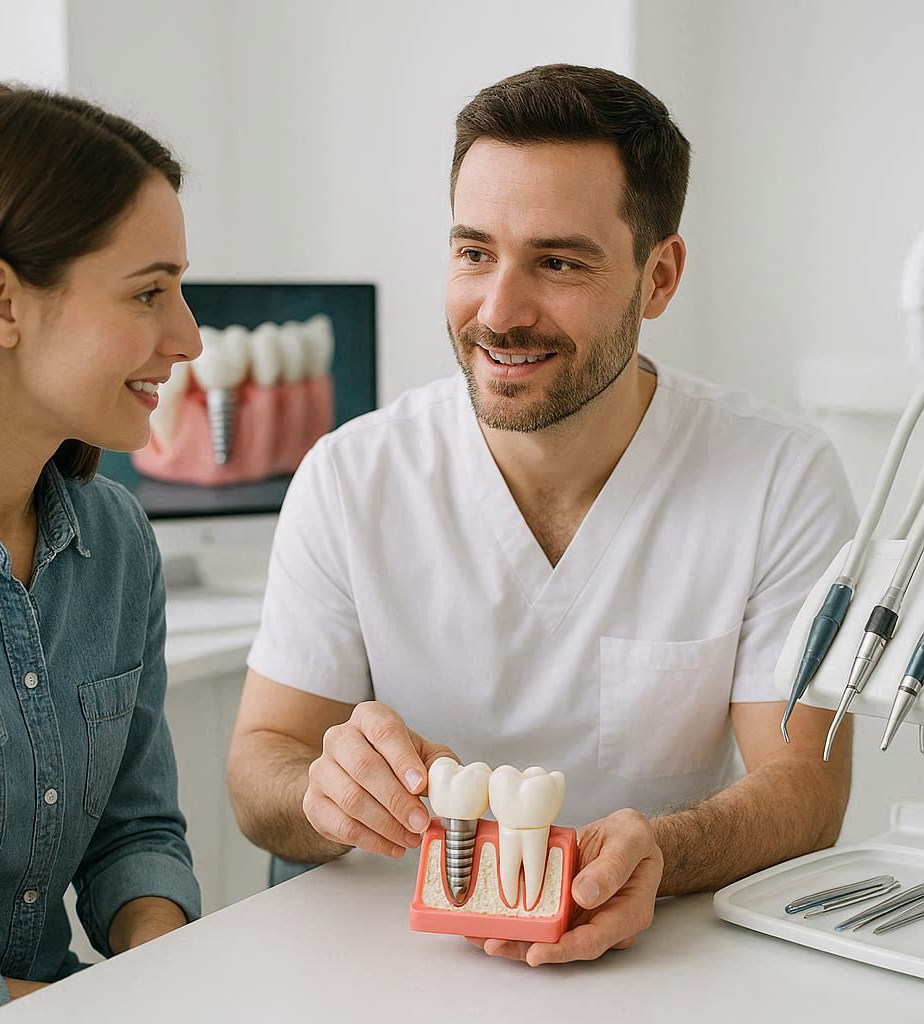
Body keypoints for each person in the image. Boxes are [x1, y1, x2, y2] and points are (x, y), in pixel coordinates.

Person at [227, 64, 857, 966]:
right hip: (375, 958)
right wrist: (321, 791)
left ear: (660, 275)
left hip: (659, 954)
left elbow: (805, 787)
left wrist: (660, 853)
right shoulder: (351, 475)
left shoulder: (777, 477)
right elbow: (261, 766)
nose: (500, 311)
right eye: (474, 252)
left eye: (558, 262)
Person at [0, 84, 203, 1020]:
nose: (188, 336)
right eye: (149, 292)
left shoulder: (115, 542)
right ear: (0, 301)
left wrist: (171, 972)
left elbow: (135, 831)